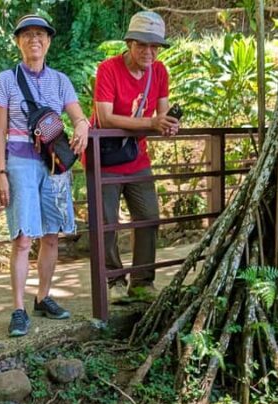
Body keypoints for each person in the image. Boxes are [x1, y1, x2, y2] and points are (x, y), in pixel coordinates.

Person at [0, 14, 89, 337]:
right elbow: (0, 131)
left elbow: (77, 115)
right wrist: (0, 172)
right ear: (18, 41)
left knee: (51, 235)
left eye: (41, 35)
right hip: (19, 162)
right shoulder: (5, 80)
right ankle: (18, 308)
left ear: (48, 41)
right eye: (27, 34)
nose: (35, 40)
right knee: (23, 238)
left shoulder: (60, 80)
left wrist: (82, 126)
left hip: (54, 163)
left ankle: (43, 296)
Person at [93, 11, 179, 302]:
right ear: (129, 43)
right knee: (106, 222)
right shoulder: (109, 69)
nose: (149, 52)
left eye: (155, 46)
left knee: (148, 217)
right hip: (104, 158)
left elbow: (162, 114)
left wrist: (167, 124)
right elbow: (104, 119)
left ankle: (142, 281)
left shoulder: (160, 72)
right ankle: (114, 281)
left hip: (136, 156)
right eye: (142, 45)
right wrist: (151, 123)